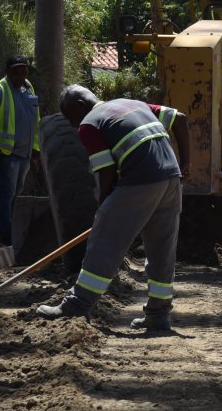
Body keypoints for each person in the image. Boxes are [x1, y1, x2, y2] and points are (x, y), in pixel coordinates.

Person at [37, 85, 191, 331]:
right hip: (171, 178)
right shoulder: (134, 104)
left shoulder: (90, 123)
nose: (72, 125)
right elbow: (180, 119)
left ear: (79, 106)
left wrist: (103, 210)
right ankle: (158, 316)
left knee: (104, 241)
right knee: (161, 248)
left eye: (69, 118)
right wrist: (186, 163)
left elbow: (106, 171)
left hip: (141, 178)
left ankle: (77, 304)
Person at [0, 56, 40, 246]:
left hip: (25, 153)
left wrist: (35, 147)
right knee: (7, 193)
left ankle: (13, 231)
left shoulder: (28, 87)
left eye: (23, 71)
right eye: (16, 71)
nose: (20, 75)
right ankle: (7, 235)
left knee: (17, 193)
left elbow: (36, 120)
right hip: (7, 153)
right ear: (8, 71)